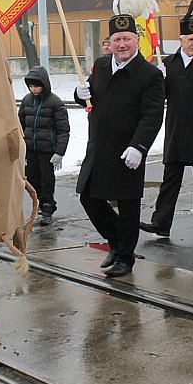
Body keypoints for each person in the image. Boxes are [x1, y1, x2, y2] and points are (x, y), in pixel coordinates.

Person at [75, 14, 165, 278]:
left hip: (128, 151)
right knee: (88, 197)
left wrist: (139, 146)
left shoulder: (149, 74)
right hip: (99, 147)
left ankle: (125, 257)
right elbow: (91, 97)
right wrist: (79, 96)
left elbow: (153, 115)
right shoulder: (101, 65)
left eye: (127, 39)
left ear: (136, 40)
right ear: (110, 42)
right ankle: (117, 242)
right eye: (117, 39)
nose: (122, 44)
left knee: (127, 207)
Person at [140, 15, 193, 237]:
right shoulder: (169, 63)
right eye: (190, 39)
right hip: (176, 129)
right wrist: (159, 80)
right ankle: (161, 222)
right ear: (181, 40)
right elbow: (159, 97)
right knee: (170, 179)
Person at [18, 65, 70, 227]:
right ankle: (42, 201)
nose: (33, 89)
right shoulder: (26, 100)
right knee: (31, 177)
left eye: (36, 85)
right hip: (30, 149)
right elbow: (20, 124)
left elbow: (63, 130)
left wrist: (59, 152)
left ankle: (47, 207)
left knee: (47, 179)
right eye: (31, 86)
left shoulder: (55, 103)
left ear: (44, 84)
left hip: (47, 150)